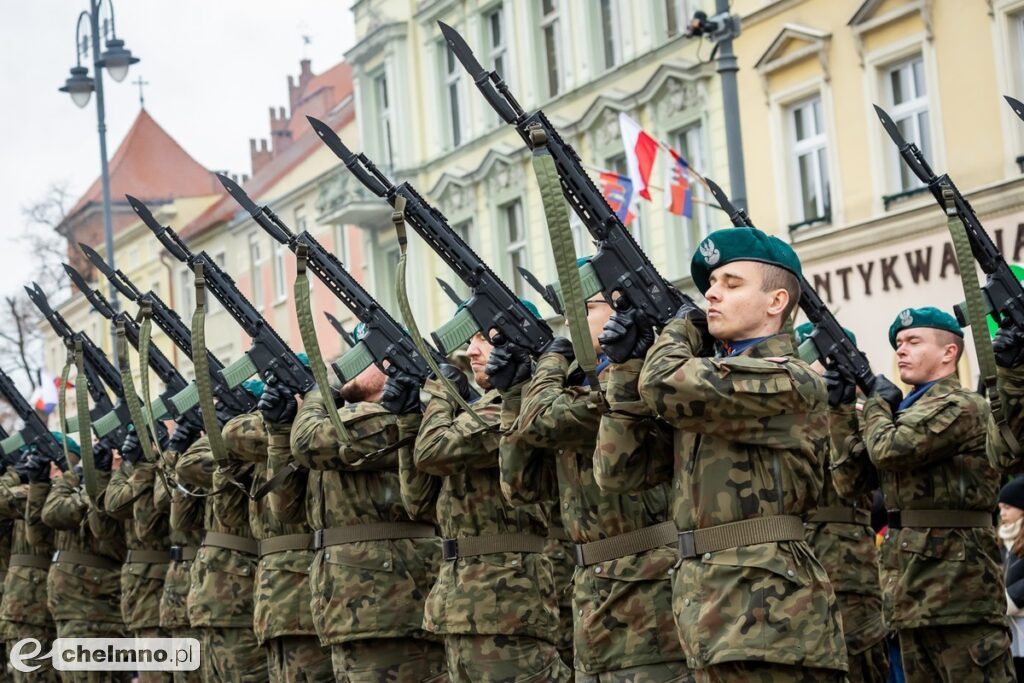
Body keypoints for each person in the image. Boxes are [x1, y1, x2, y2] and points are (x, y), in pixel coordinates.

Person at [596, 227, 848, 682]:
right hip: (708, 607)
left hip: (770, 616)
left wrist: (676, 327)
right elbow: (620, 471)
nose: (712, 294)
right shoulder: (708, 386)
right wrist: (626, 367)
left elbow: (663, 383)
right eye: (711, 285)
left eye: (732, 284)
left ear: (776, 302)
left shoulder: (791, 379)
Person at [496, 283, 693, 681]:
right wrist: (514, 393)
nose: (570, 321)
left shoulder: (632, 385)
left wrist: (550, 360)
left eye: (585, 307)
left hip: (647, 593)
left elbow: (541, 421)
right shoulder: (584, 386)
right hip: (593, 589)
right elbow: (521, 486)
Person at [413, 300, 569, 681]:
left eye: (484, 338)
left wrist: (441, 393)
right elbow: (417, 501)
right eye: (471, 339)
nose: (471, 351)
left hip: (503, 599)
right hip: (464, 599)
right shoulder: (484, 407)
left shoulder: (508, 405)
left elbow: (432, 452)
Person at [860, 306, 1012, 681]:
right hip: (910, 591)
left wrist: (876, 405)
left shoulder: (963, 406)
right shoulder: (901, 412)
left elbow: (890, 449)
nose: (901, 350)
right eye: (898, 343)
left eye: (913, 341)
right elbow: (854, 480)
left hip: (960, 591)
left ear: (949, 353)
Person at [289, 355, 448, 683]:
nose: (348, 365)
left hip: (388, 602)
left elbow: (306, 442)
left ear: (390, 365)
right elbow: (286, 508)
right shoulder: (352, 419)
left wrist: (318, 391)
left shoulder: (386, 419)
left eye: (362, 357)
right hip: (349, 603)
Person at [795, 323, 888, 683]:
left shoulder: (862, 416)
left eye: (813, 356)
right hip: (795, 564)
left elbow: (856, 479)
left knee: (860, 662)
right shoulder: (780, 415)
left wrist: (839, 411)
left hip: (847, 569)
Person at [177, 380, 269, 683]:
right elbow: (188, 466)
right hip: (215, 591)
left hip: (238, 590)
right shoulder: (234, 450)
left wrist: (229, 432)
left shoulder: (262, 444)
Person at [37, 437, 130, 683]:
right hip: (73, 603)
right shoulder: (86, 483)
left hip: (96, 604)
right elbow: (48, 519)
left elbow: (103, 529)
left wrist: (73, 478)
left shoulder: (119, 485)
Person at [105, 425, 173, 683]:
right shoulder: (134, 471)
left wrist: (154, 459)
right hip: (143, 590)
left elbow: (149, 525)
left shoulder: (168, 461)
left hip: (161, 584)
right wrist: (130, 465)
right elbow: (112, 505)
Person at [997, 476, 1024, 680]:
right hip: (1009, 626)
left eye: (1007, 507)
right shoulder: (1000, 540)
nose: (1002, 513)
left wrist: (1010, 598)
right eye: (1000, 508)